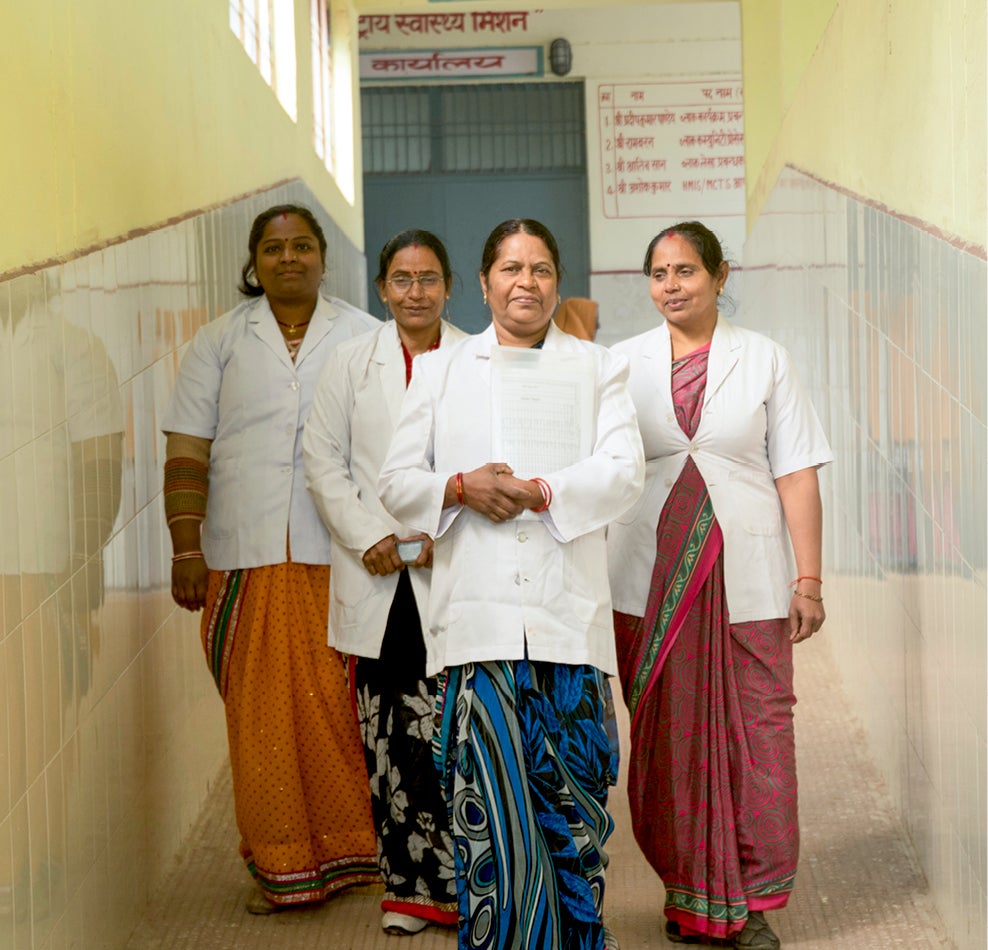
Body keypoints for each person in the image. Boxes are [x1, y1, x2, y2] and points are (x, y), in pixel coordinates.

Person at [378, 219, 644, 950]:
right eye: (510, 268)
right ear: (487, 280)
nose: (525, 283)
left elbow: (625, 471)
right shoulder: (441, 371)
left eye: (540, 269)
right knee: (489, 827)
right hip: (479, 625)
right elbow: (397, 485)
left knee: (575, 817)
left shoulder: (598, 367)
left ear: (557, 281)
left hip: (567, 621)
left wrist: (544, 491)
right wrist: (460, 487)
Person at [606, 221, 832, 950]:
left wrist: (810, 579)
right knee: (669, 740)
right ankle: (690, 893)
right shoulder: (619, 364)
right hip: (650, 574)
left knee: (760, 734)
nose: (672, 285)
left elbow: (796, 470)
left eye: (687, 271)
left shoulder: (764, 359)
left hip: (749, 577)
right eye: (660, 273)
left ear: (720, 275)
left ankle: (754, 900)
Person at [161, 203, 379, 913]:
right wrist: (185, 546)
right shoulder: (218, 341)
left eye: (303, 246)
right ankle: (281, 863)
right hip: (243, 555)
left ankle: (354, 853)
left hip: (339, 552)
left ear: (324, 257)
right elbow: (187, 449)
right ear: (254, 262)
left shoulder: (363, 335)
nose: (290, 258)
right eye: (274, 248)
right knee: (259, 722)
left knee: (341, 707)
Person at [303, 229, 466, 936]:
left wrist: (437, 534)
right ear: (381, 289)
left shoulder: (475, 360)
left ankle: (469, 884)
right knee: (390, 735)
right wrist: (371, 536)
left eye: (428, 279)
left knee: (457, 728)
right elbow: (322, 457)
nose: (415, 293)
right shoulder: (349, 362)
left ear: (450, 286)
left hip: (450, 565)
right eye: (401, 280)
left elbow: (491, 459)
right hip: (375, 573)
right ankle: (407, 891)